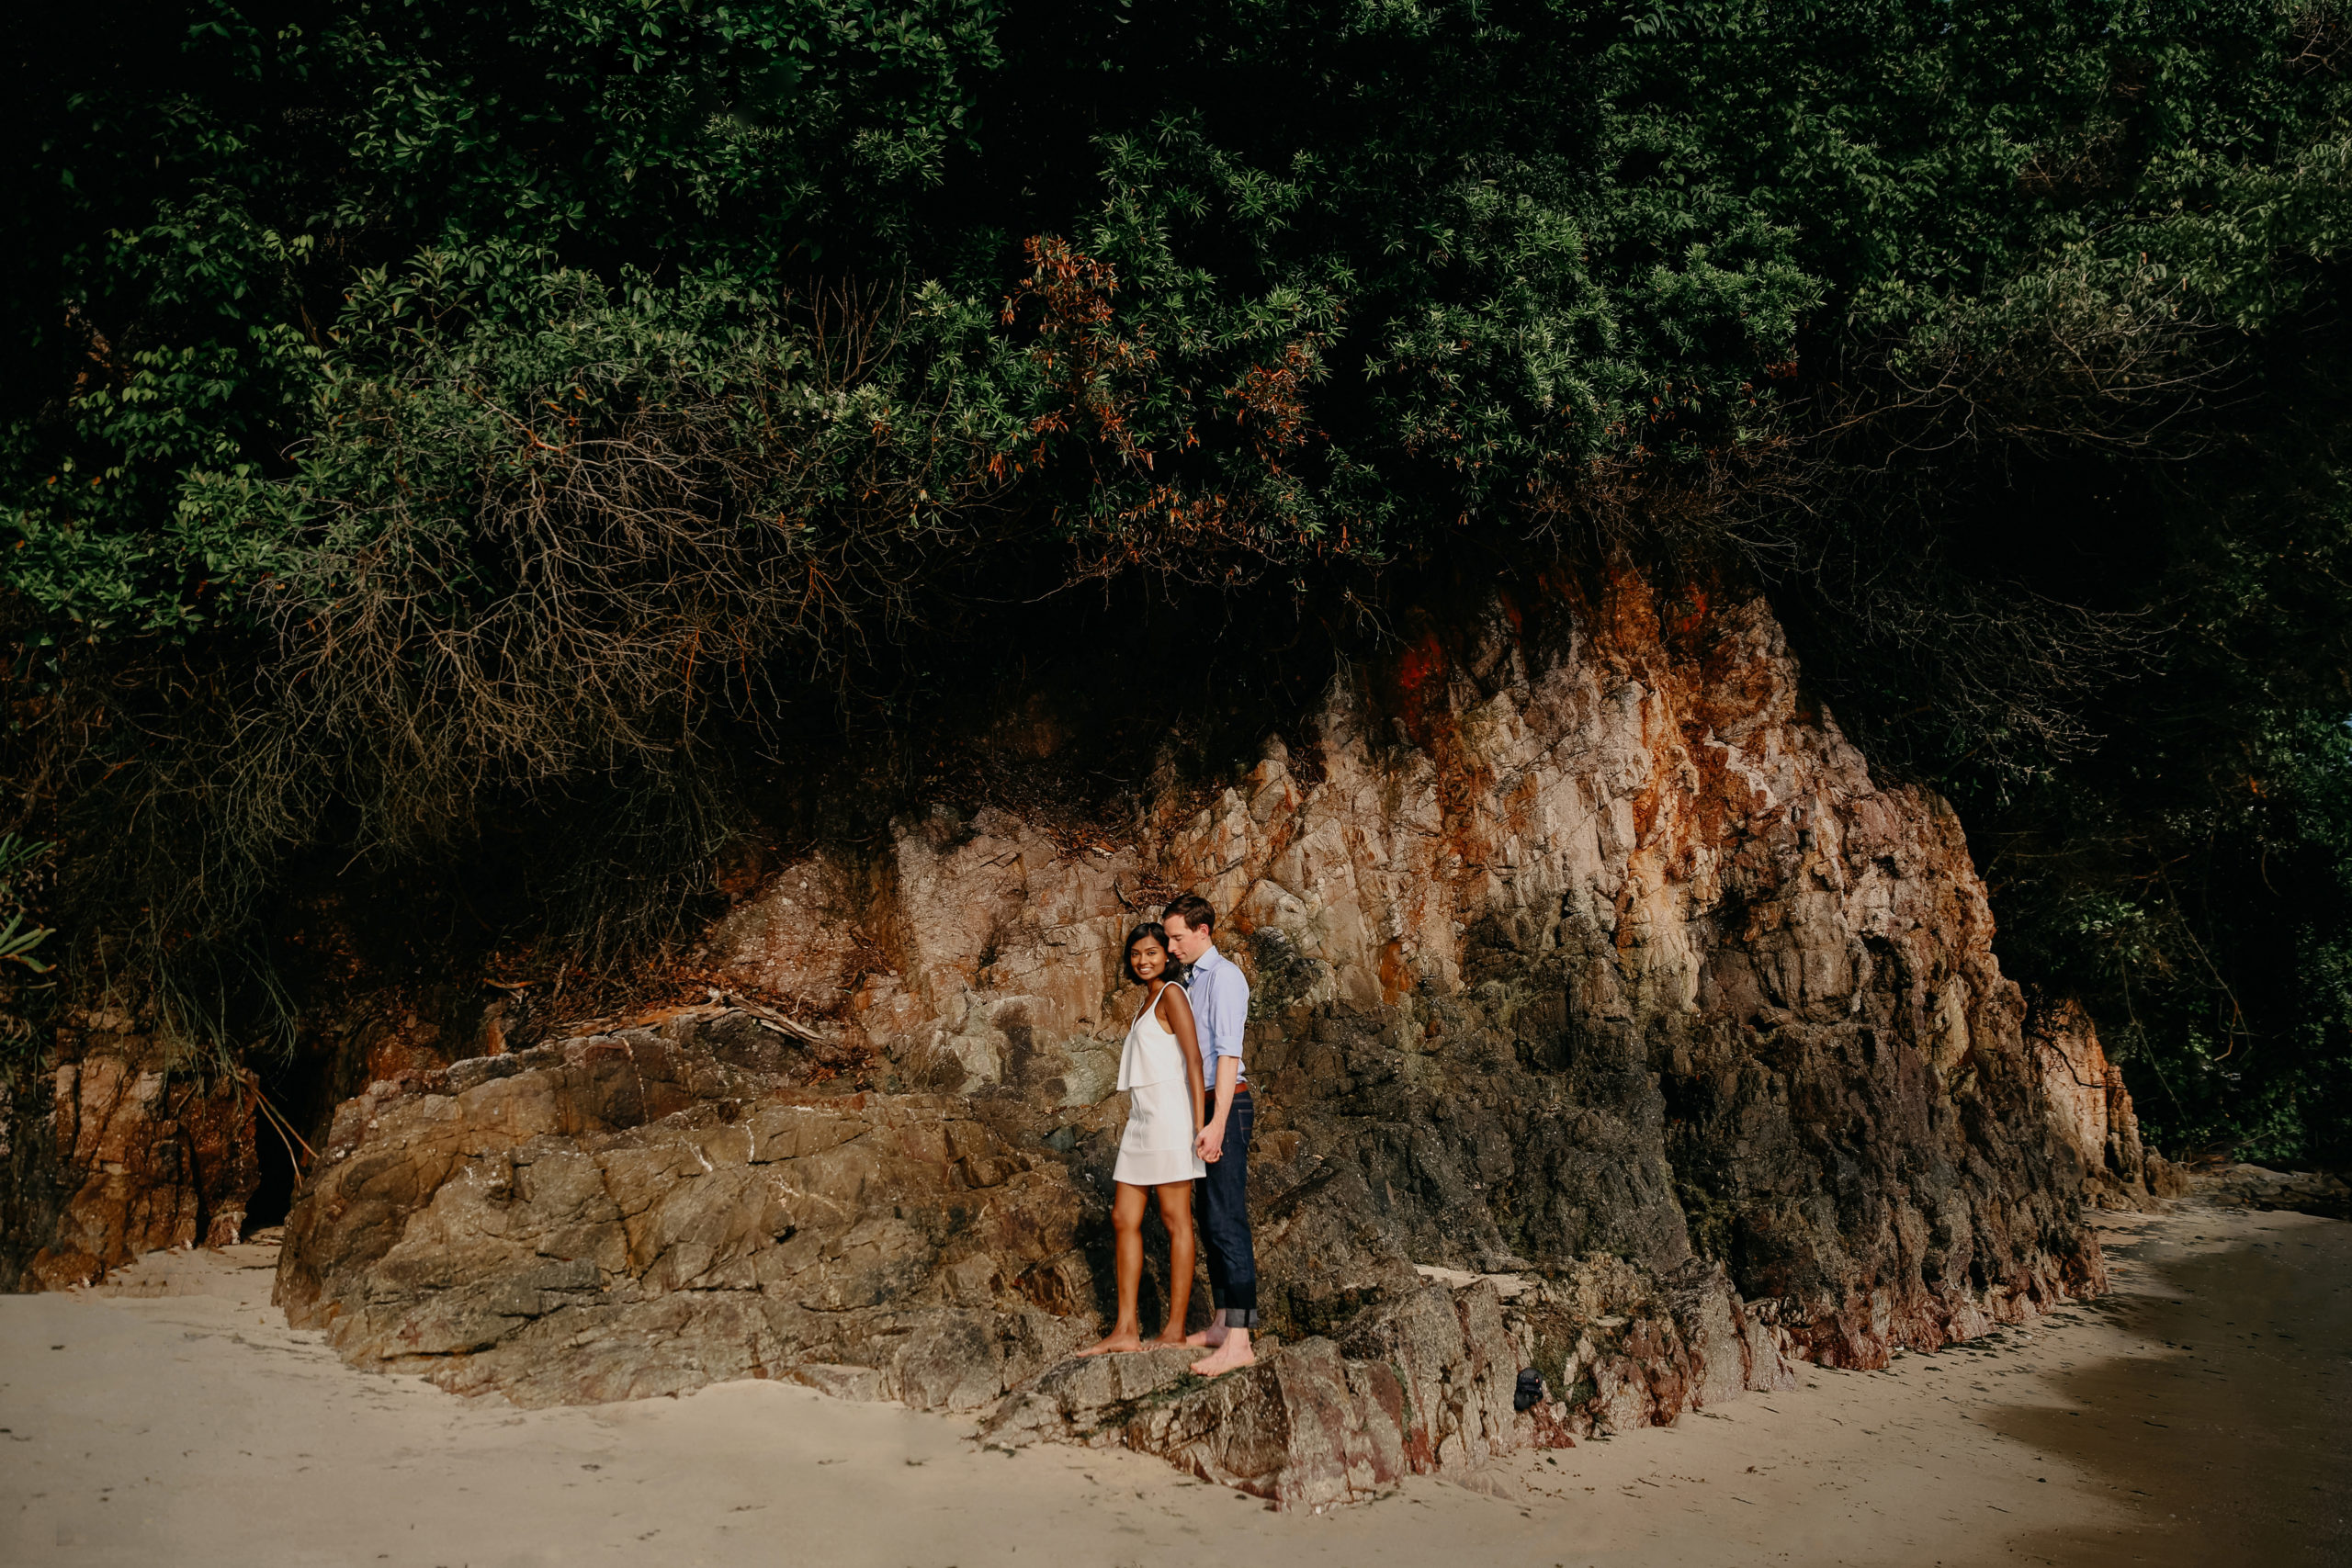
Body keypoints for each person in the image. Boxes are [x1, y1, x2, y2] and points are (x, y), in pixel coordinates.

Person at [1075, 922, 1208, 1357]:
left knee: (1175, 1220)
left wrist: (1201, 1124)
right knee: (1122, 1217)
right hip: (1140, 1120)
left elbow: (1193, 1059)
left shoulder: (1172, 994)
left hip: (1171, 1119)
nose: (1143, 961)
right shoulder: (1145, 1000)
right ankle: (1126, 1329)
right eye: (1135, 954)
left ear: (1166, 956)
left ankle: (1174, 1329)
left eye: (1151, 952)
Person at [1162, 893, 1258, 1377]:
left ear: (1203, 932)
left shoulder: (1224, 978)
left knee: (1227, 1220)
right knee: (1209, 1215)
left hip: (1227, 1104)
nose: (1171, 946)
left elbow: (1227, 1054)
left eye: (1178, 937)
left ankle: (1240, 1340)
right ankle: (1223, 1322)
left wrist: (1217, 1123)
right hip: (1202, 1106)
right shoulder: (1190, 981)